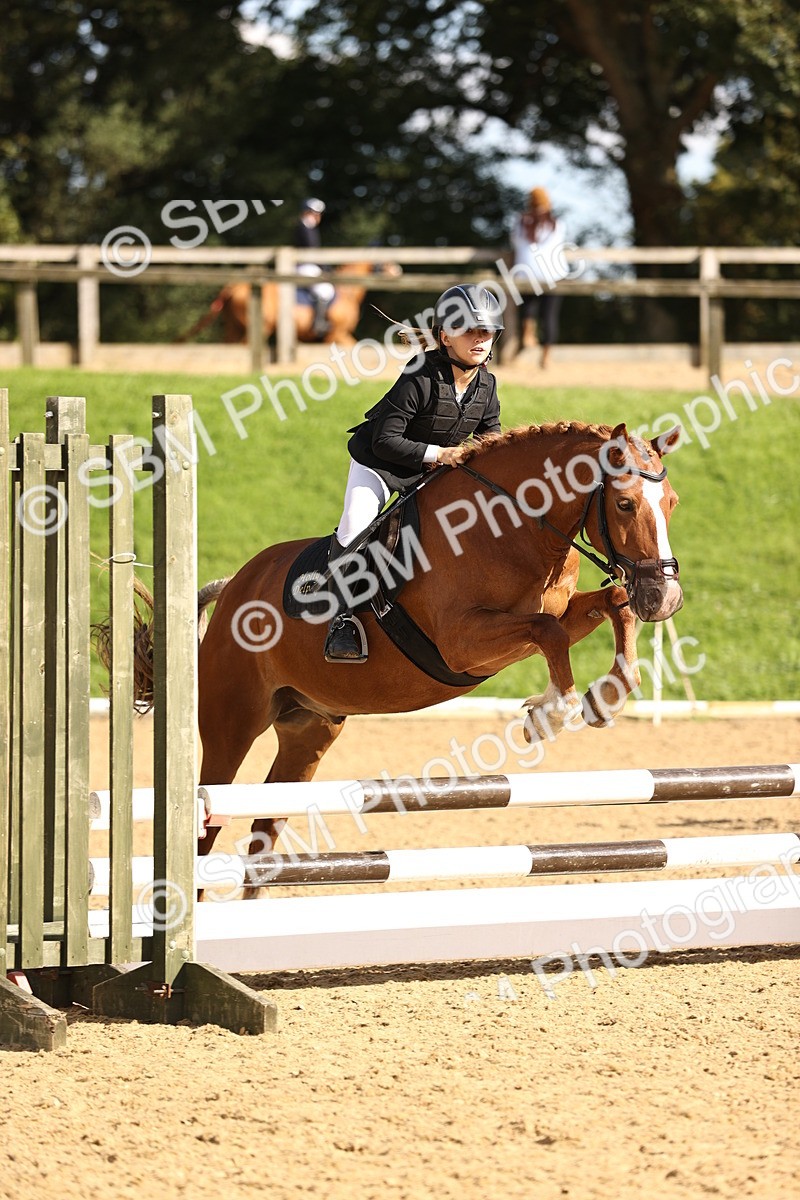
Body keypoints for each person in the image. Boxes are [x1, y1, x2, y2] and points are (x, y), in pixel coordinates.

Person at [323, 284, 504, 663]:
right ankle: (341, 620)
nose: (479, 339)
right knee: (356, 524)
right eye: (469, 331)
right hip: (380, 465)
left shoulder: (486, 385)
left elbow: (490, 436)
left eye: (485, 332)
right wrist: (442, 453)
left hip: (428, 473)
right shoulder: (421, 374)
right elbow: (387, 440)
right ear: (444, 336)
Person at [511, 187, 568, 368]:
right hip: (553, 274)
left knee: (528, 306)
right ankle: (546, 356)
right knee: (550, 316)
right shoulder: (556, 224)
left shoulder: (520, 222)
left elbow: (514, 242)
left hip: (525, 273)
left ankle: (528, 332)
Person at [293, 197, 335, 337]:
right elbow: (312, 252)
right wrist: (324, 267)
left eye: (318, 214)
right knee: (325, 290)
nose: (317, 216)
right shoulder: (304, 227)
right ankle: (319, 323)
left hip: (309, 265)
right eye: (313, 213)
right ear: (306, 212)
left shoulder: (308, 228)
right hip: (304, 266)